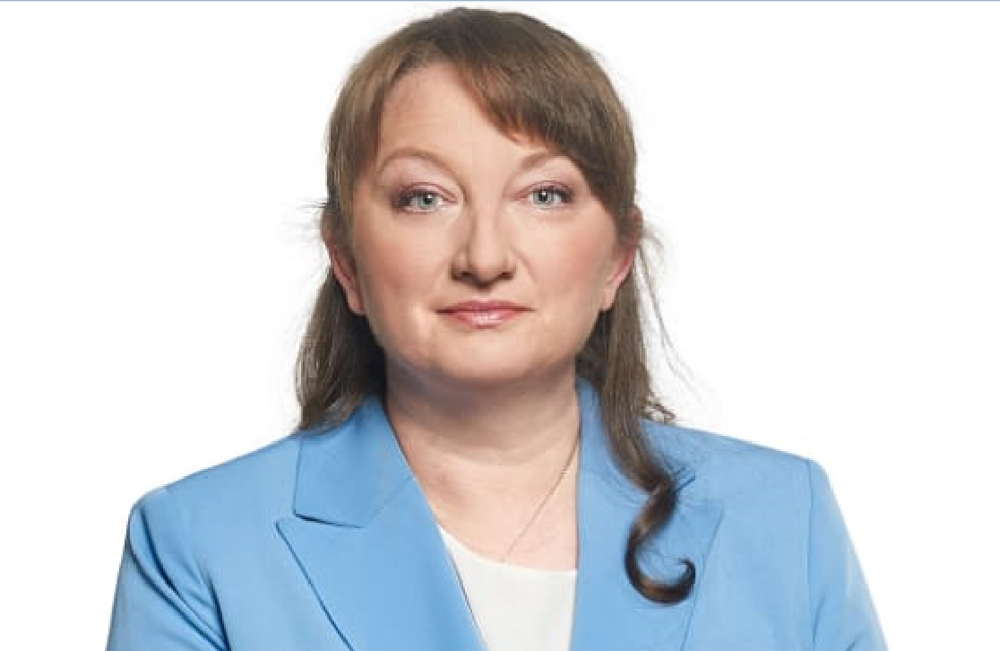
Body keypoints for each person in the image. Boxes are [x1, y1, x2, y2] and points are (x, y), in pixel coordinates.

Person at [106, 7, 885, 651]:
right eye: (424, 198)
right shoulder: (200, 544)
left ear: (618, 255)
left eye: (544, 195)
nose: (484, 257)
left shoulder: (784, 518)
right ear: (345, 258)